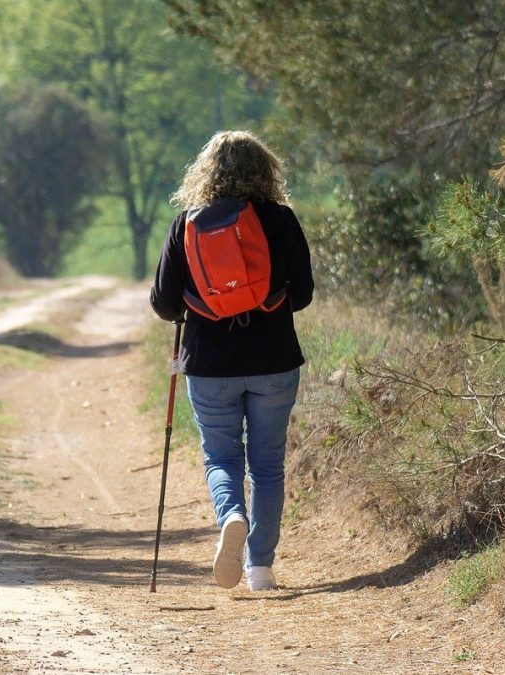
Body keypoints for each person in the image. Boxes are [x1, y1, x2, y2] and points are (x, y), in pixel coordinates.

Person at [149, 130, 314, 591]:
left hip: (208, 362)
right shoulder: (281, 220)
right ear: (266, 170)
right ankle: (260, 568)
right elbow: (302, 295)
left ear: (206, 171)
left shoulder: (187, 223)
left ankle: (232, 516)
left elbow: (163, 305)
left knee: (221, 456)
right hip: (274, 360)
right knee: (267, 465)